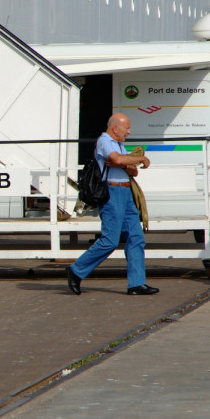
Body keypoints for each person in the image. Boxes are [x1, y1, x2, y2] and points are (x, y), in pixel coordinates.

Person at [67, 113, 159, 296]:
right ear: (116, 128)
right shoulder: (105, 141)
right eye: (127, 128)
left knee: (136, 237)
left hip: (125, 193)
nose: (129, 131)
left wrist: (125, 162)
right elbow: (117, 160)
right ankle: (76, 270)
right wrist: (138, 159)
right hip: (112, 193)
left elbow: (132, 171)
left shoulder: (118, 145)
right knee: (110, 240)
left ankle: (136, 283)